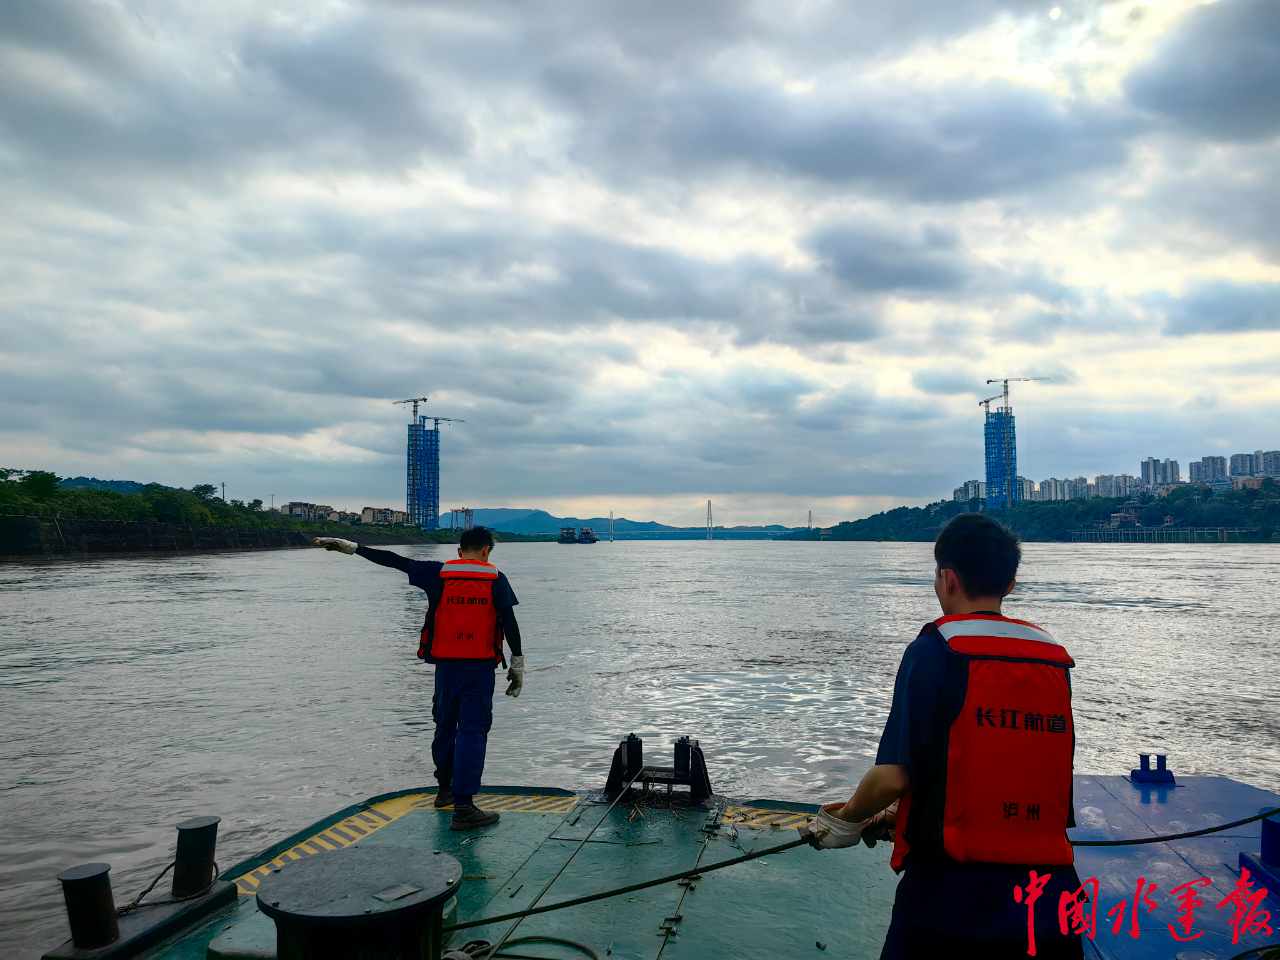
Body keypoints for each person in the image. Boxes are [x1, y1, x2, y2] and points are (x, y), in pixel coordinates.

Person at [801, 513, 1083, 959]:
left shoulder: (935, 650)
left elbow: (891, 777)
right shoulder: (1052, 659)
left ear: (947, 579)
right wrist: (904, 813)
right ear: (1009, 585)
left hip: (949, 901)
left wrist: (845, 822)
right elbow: (1007, 760)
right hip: (1051, 904)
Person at [313, 526, 524, 831]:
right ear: (486, 551)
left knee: (445, 726)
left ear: (459, 551)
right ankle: (464, 808)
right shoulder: (496, 579)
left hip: (445, 668)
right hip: (478, 669)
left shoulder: (437, 573)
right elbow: (510, 622)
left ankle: (444, 791)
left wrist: (353, 547)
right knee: (472, 731)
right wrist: (517, 664)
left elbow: (394, 560)